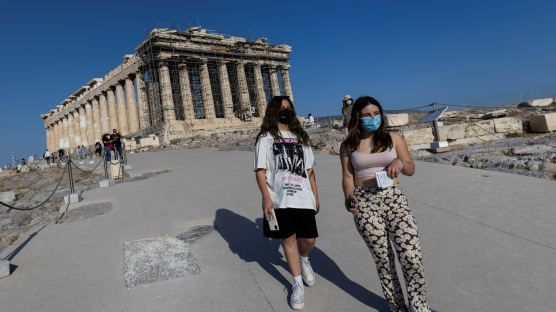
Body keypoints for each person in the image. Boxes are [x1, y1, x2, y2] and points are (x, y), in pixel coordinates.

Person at [339, 96, 431, 312]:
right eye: (367, 115)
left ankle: (419, 307)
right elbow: (346, 175)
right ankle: (397, 308)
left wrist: (400, 162)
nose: (373, 118)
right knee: (384, 261)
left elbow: (411, 169)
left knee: (412, 255)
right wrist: (348, 195)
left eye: (376, 113)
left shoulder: (393, 138)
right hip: (365, 203)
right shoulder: (348, 145)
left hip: (394, 199)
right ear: (358, 118)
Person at [254, 96, 320, 310]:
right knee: (288, 240)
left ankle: (304, 258)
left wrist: (316, 197)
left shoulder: (301, 137)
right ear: (273, 111)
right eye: (281, 108)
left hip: (303, 196)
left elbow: (310, 171)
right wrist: (266, 197)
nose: (285, 111)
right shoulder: (265, 138)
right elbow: (261, 171)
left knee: (309, 239)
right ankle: (297, 283)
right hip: (280, 199)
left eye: (288, 108)